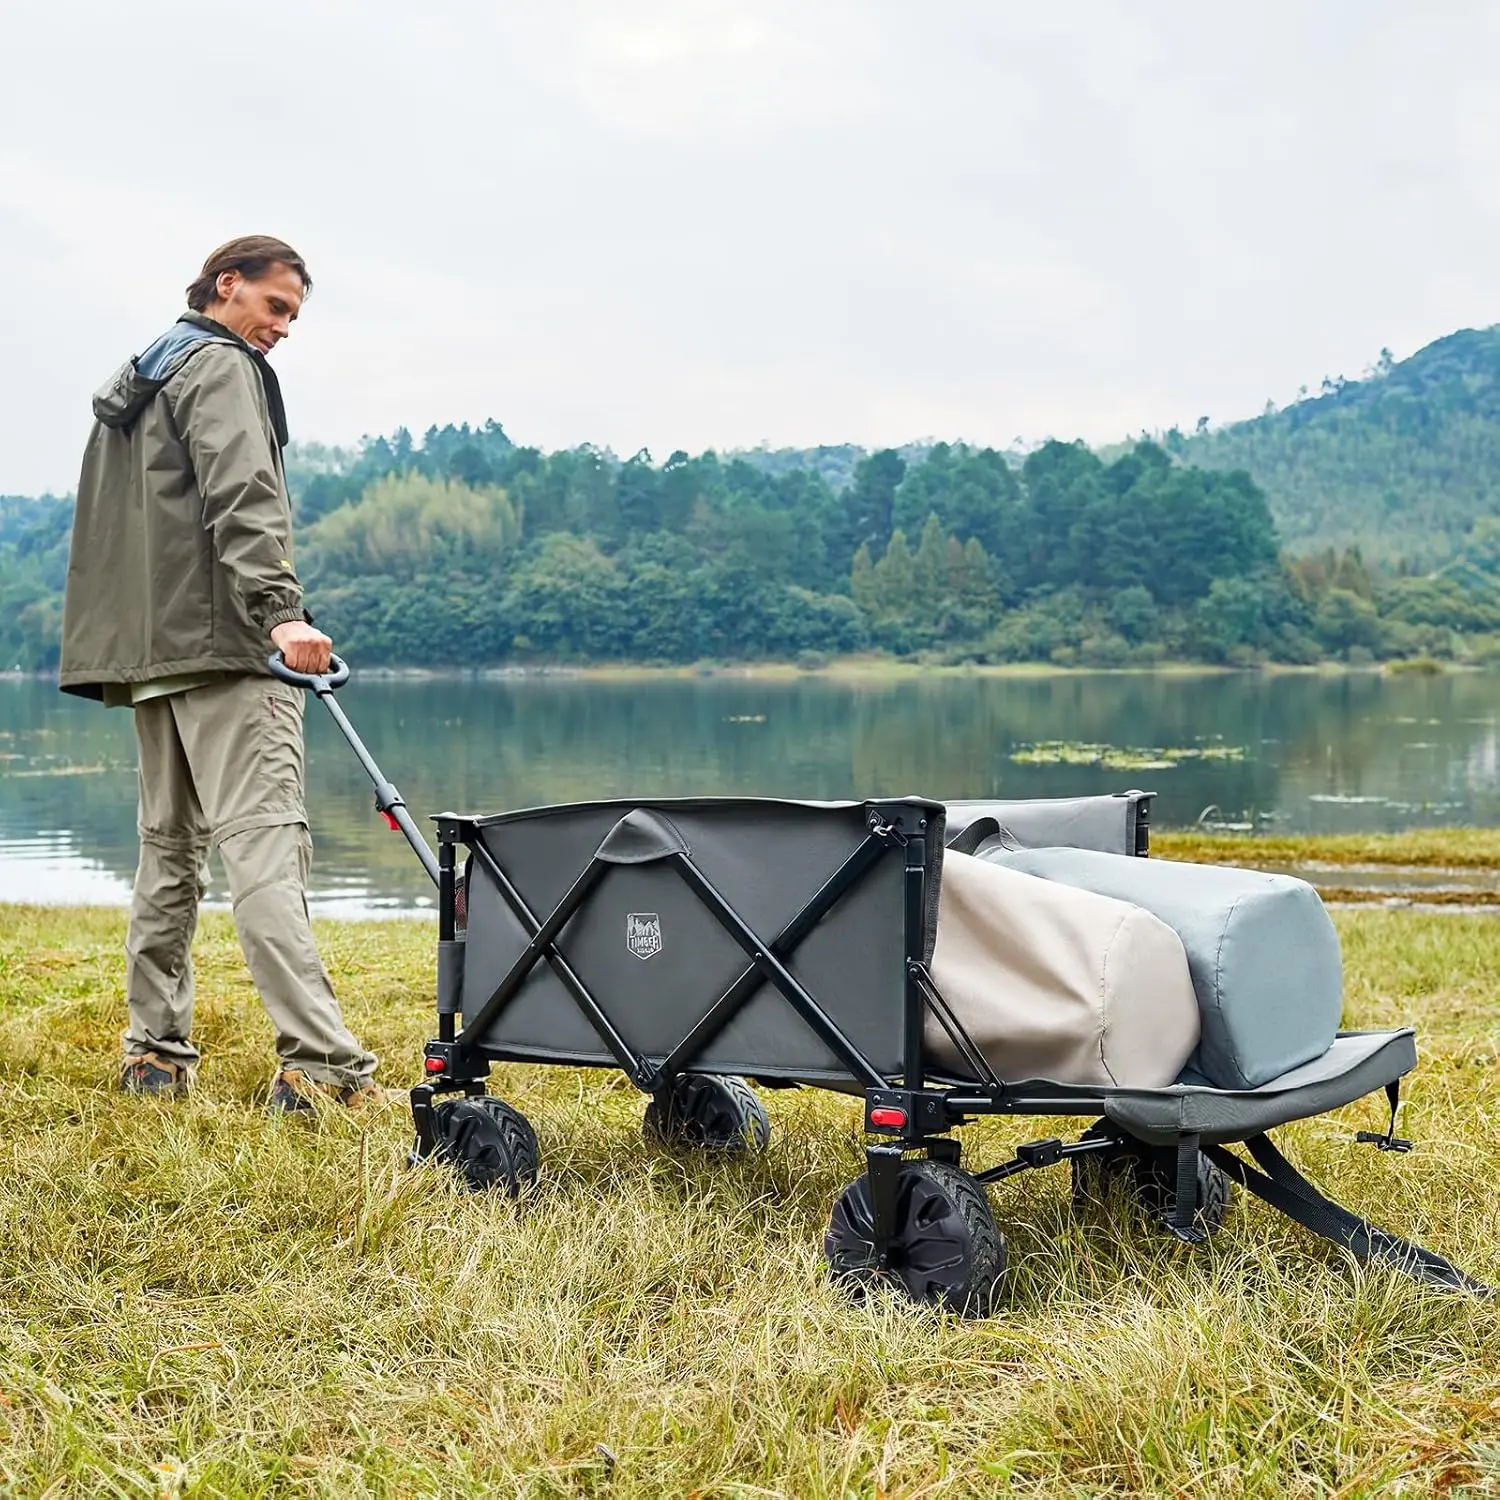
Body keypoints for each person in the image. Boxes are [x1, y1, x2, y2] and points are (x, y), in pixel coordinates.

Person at [58, 235, 381, 1110]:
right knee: (267, 845)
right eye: (275, 307)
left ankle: (153, 1057)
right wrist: (281, 609)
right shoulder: (218, 367)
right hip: (228, 648)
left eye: (293, 316)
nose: (282, 329)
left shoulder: (139, 387)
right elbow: (243, 492)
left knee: (168, 857)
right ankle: (321, 1067)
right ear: (226, 284)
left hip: (156, 658)